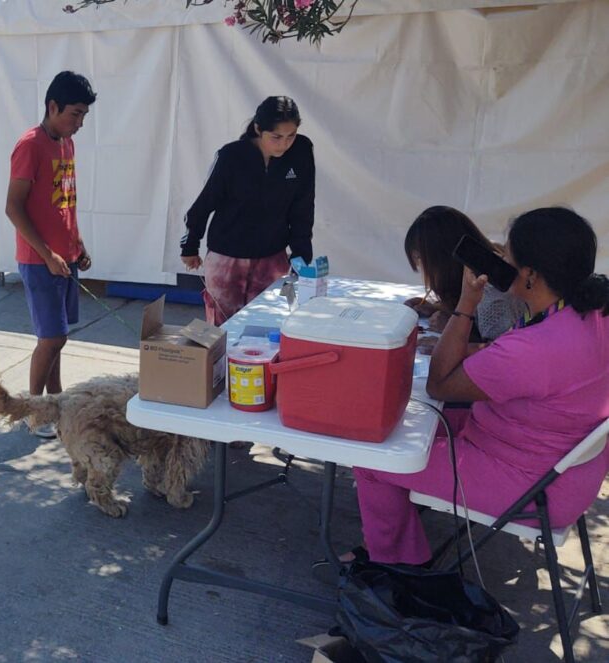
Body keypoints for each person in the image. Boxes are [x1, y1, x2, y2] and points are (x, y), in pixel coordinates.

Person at [348, 207, 609, 566]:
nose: (502, 261)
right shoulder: (592, 311)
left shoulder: (532, 349)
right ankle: (394, 536)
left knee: (371, 459)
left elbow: (440, 383)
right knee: (408, 424)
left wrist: (467, 302)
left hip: (531, 486)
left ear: (530, 275)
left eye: (509, 257)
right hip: (564, 467)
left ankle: (396, 568)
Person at [4, 71, 97, 439]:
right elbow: (13, 208)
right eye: (74, 114)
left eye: (84, 116)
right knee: (50, 338)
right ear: (52, 106)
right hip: (39, 260)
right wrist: (46, 254)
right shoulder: (30, 145)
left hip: (65, 258)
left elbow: (64, 205)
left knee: (59, 336)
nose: (79, 123)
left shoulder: (67, 143)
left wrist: (78, 245)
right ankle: (34, 411)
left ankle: (56, 402)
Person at [180, 96, 315, 326]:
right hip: (227, 259)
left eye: (290, 136)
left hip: (273, 259)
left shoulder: (301, 151)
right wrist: (190, 245)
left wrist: (301, 255)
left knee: (270, 325)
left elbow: (303, 206)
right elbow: (205, 202)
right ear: (257, 129)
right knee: (224, 330)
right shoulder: (231, 156)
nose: (284, 144)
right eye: (276, 137)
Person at [403, 205, 525, 349]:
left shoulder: (491, 291)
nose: (421, 268)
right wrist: (438, 308)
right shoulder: (487, 262)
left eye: (419, 259)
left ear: (442, 259)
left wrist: (451, 340)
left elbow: (502, 351)